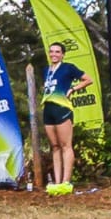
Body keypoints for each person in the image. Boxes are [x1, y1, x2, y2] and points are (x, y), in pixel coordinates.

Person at [39, 42, 91, 196]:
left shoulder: (68, 67)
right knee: (55, 146)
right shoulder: (46, 70)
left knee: (66, 145)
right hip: (48, 109)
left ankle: (66, 182)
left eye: (57, 52)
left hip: (62, 108)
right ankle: (57, 182)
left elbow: (88, 79)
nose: (54, 54)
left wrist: (73, 89)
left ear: (62, 54)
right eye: (51, 51)